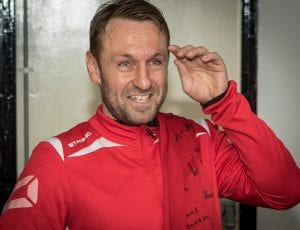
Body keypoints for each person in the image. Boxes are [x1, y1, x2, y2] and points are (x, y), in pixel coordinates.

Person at [1, 0, 299, 229]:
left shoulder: (200, 138)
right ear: (94, 67)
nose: (144, 81)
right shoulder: (57, 158)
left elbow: (284, 192)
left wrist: (224, 102)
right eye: (125, 63)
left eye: (155, 61)